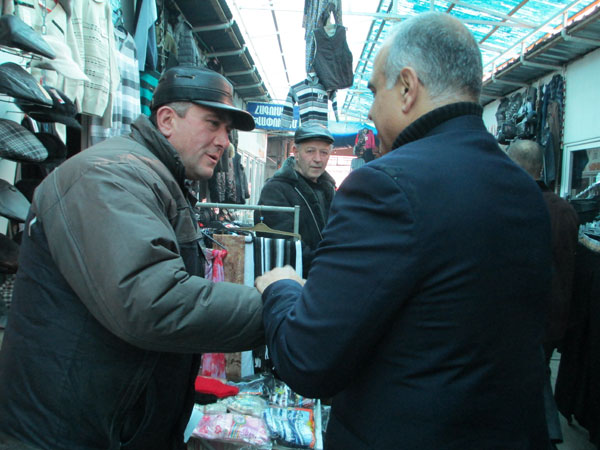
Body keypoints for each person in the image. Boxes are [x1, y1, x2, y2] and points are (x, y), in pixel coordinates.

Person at [255, 12, 553, 449]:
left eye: (376, 90)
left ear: (408, 88)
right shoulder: (523, 189)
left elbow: (307, 359)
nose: (370, 109)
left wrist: (281, 287)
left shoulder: (385, 187)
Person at [0, 66, 264, 450]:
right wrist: (275, 305)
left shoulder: (156, 178)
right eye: (213, 124)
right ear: (167, 120)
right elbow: (152, 301)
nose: (224, 141)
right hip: (66, 435)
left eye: (228, 130)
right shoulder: (109, 176)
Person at [507, 139, 579, 447]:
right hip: (556, 315)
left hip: (519, 317)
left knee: (521, 387)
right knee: (538, 376)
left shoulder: (512, 206)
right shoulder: (565, 210)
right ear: (540, 167)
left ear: (513, 165)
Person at [255, 124, 336, 276]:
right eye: (310, 151)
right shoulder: (276, 190)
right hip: (292, 279)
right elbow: (284, 246)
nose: (318, 159)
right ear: (296, 152)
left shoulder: (329, 189)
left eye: (324, 152)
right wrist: (329, 265)